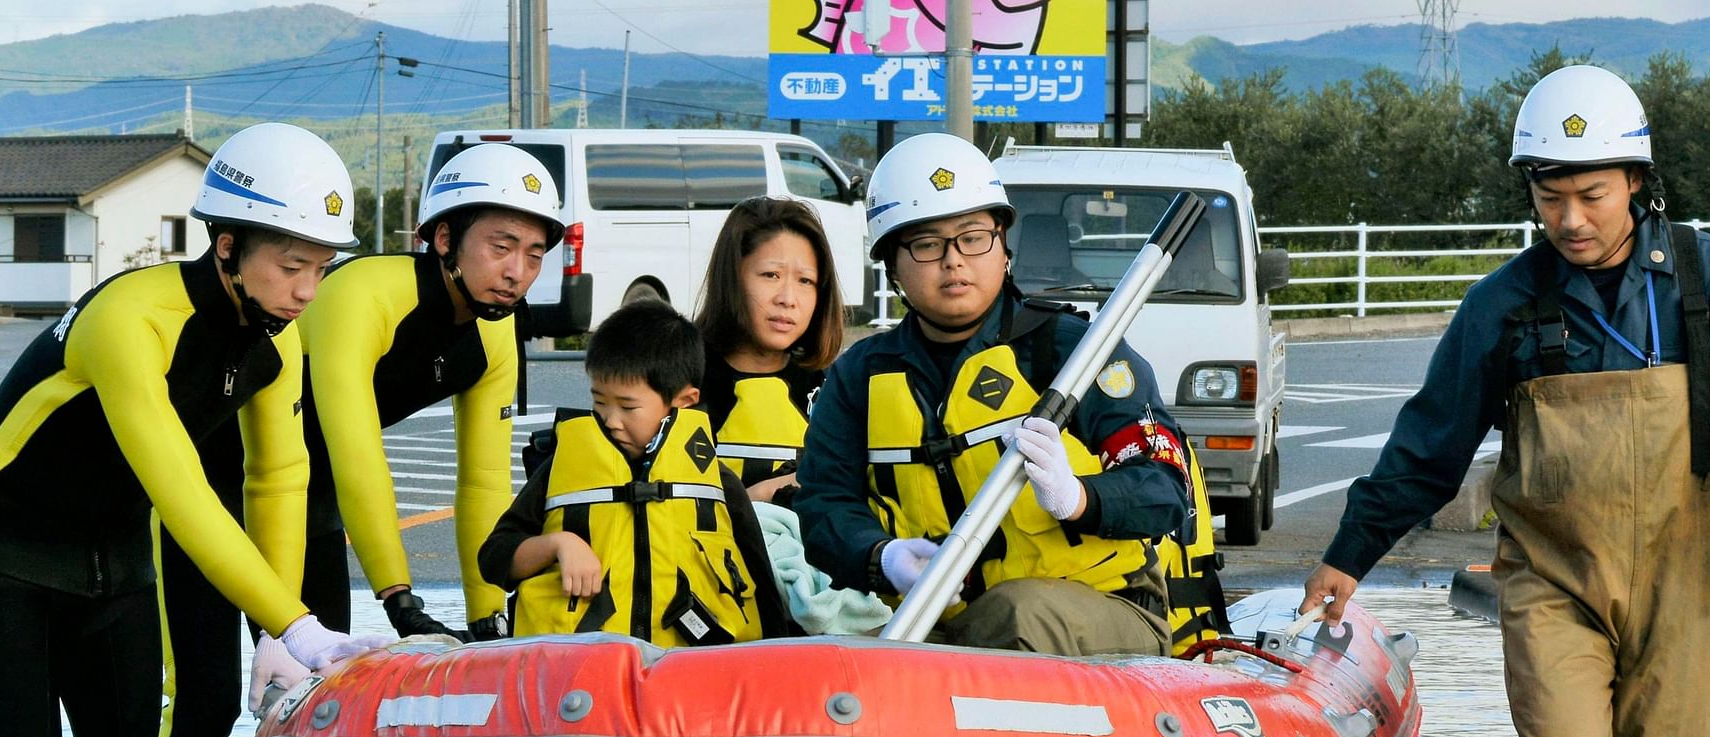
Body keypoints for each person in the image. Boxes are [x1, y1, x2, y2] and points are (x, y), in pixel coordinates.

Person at [1299, 65, 1710, 737]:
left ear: (1636, 181)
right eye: (1550, 197)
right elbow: (1430, 445)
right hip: (1553, 579)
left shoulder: (1709, 278)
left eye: (1591, 196)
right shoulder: (1502, 304)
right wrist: (1348, 554)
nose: (1570, 219)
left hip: (1687, 581)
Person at [0, 123, 390, 737]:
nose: (309, 290)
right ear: (227, 246)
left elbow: (277, 479)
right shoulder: (130, 320)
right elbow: (179, 490)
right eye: (292, 265)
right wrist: (303, 626)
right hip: (1, 549)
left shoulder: (279, 335)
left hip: (114, 556)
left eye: (322, 268)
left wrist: (275, 630)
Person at [152, 142, 559, 737]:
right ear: (445, 238)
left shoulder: (496, 333)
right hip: (212, 492)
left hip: (306, 504)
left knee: (316, 691)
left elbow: (483, 482)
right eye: (501, 246)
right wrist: (401, 601)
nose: (517, 272)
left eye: (535, 254)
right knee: (210, 698)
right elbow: (354, 448)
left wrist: (489, 622)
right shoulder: (365, 294)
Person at [792, 131, 1209, 656]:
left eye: (973, 236)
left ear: (1002, 243)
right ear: (892, 265)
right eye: (925, 244)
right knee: (839, 658)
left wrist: (1080, 497)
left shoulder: (1074, 352)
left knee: (1014, 615)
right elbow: (825, 504)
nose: (953, 261)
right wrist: (884, 557)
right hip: (934, 617)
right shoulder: (861, 376)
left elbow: (1165, 489)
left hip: (1102, 606)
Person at [480, 301, 793, 645]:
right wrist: (558, 543)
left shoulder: (717, 484)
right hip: (582, 678)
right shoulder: (562, 468)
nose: (610, 420)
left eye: (628, 407)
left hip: (690, 679)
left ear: (684, 401)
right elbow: (495, 558)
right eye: (599, 402)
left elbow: (763, 592)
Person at [693, 195, 846, 506]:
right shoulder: (679, 379)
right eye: (771, 275)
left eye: (806, 280)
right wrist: (757, 498)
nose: (788, 298)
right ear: (731, 277)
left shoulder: (836, 389)